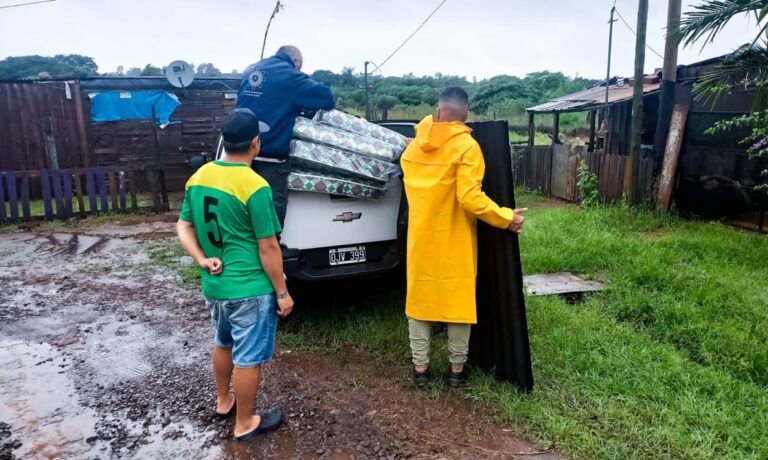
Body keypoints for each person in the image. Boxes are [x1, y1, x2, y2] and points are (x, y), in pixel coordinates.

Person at [177, 108, 294, 441]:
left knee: (222, 341)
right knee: (248, 358)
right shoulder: (255, 186)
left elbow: (184, 225)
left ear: (224, 141)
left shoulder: (198, 177)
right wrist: (283, 293)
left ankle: (224, 400)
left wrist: (201, 258)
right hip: (249, 289)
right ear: (255, 143)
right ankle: (245, 423)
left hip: (215, 286)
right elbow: (269, 248)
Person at [400, 87, 527, 388]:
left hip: (421, 238)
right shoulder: (468, 147)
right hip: (454, 237)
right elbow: (470, 198)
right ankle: (457, 372)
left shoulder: (415, 147)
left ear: (438, 110)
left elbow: (411, 163)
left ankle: (420, 370)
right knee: (458, 301)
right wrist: (506, 218)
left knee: (419, 301)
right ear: (466, 114)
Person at [237, 45, 335, 230]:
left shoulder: (251, 69)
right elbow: (326, 97)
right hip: (270, 152)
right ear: (296, 61)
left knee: (245, 198)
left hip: (241, 150)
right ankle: (272, 247)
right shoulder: (289, 75)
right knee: (275, 200)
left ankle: (247, 244)